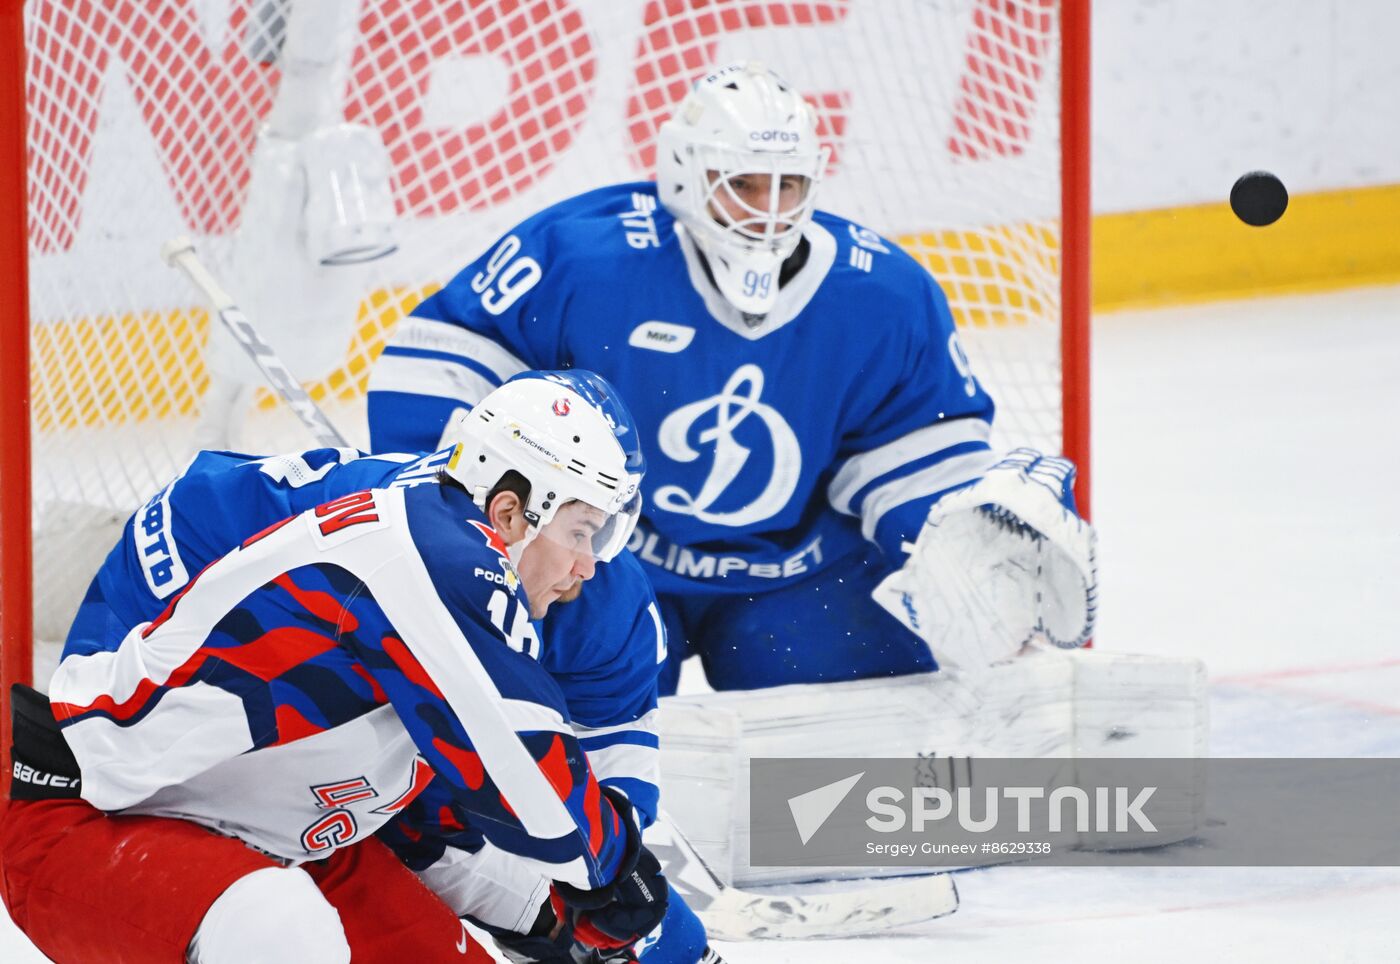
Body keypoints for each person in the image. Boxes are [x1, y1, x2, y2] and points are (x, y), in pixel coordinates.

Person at [366, 62, 1096, 695]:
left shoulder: (882, 296)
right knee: (545, 690)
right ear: (686, 173)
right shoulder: (586, 256)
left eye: (788, 185)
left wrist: (950, 547)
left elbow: (914, 449)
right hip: (610, 561)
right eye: (743, 183)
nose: (767, 209)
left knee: (868, 722)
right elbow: (444, 357)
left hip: (799, 578)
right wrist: (450, 507)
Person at [1, 371, 677, 963]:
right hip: (86, 813)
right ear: (509, 510)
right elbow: (536, 790)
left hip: (283, 841)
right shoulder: (441, 558)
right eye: (583, 533)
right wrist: (617, 873)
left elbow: (449, 817)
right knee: (283, 936)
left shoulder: (444, 566)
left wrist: (551, 915)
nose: (590, 566)